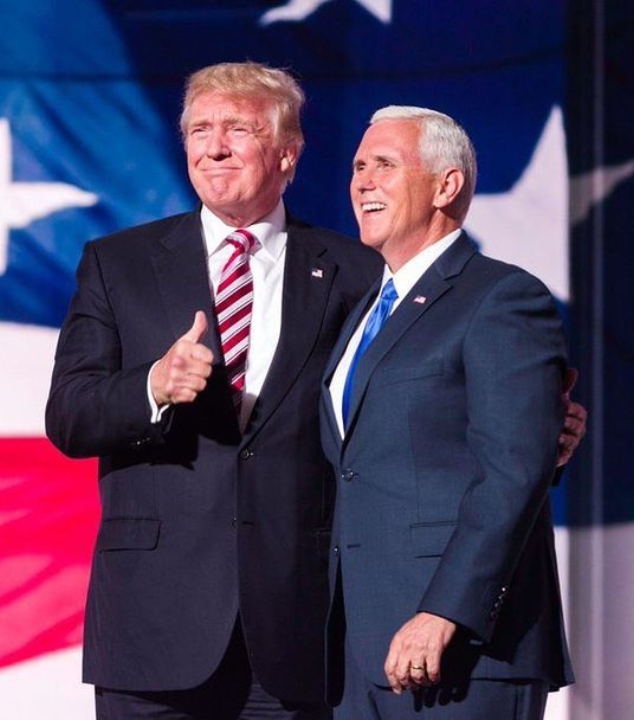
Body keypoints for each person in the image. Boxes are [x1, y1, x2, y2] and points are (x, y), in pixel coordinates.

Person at [46, 63, 585, 720]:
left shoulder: (361, 272)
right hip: (154, 631)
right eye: (199, 129)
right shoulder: (116, 263)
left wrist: (533, 435)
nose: (213, 146)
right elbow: (69, 416)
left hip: (305, 634)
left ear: (288, 155)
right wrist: (153, 386)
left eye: (237, 129)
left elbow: (422, 416)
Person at [322, 106, 570, 719]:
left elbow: (513, 470)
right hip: (361, 649)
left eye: (384, 164)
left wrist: (444, 612)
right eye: (357, 167)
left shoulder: (502, 298)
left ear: (446, 184)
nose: (362, 182)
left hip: (462, 649)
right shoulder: (363, 313)